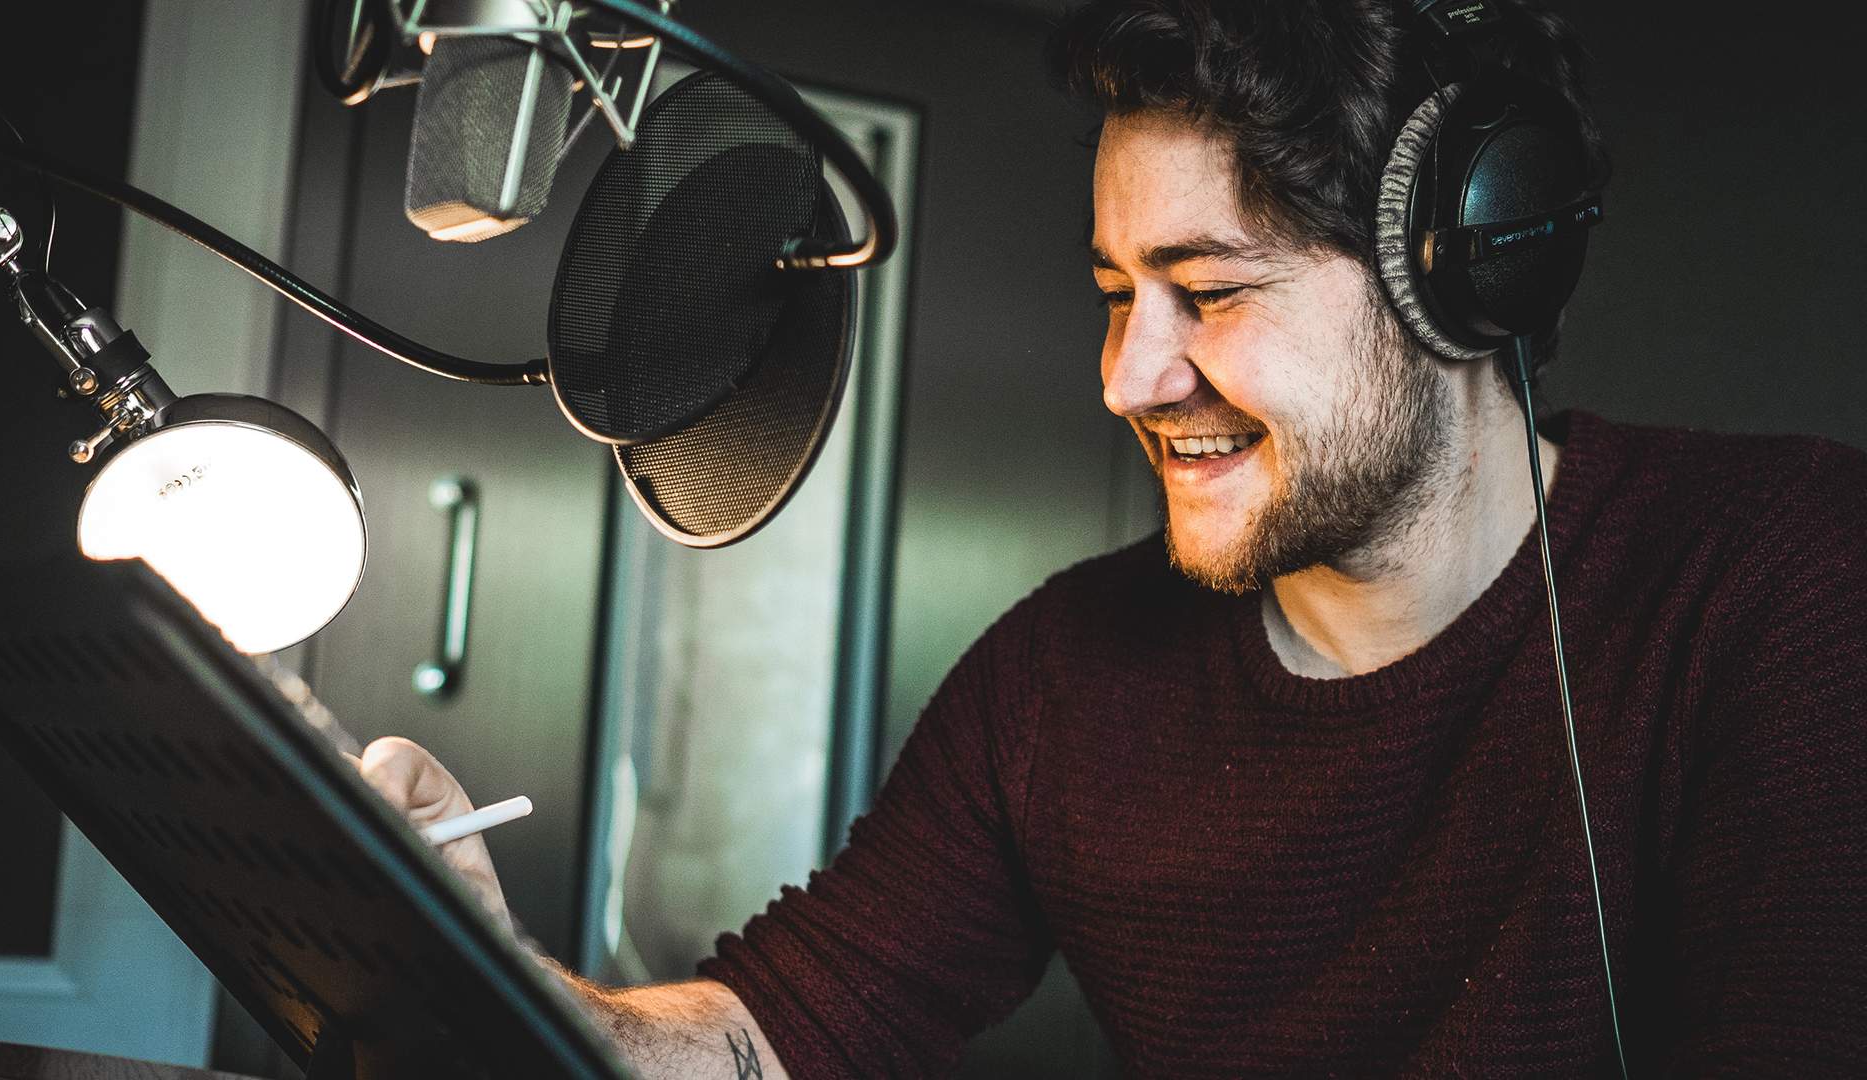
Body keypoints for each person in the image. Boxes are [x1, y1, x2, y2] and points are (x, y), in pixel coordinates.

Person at [358, 0, 1867, 1075]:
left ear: (1461, 280)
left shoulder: (1782, 583)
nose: (1126, 378)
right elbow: (773, 1038)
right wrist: (504, 987)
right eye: (1112, 293)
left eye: (1206, 292)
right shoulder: (1059, 684)